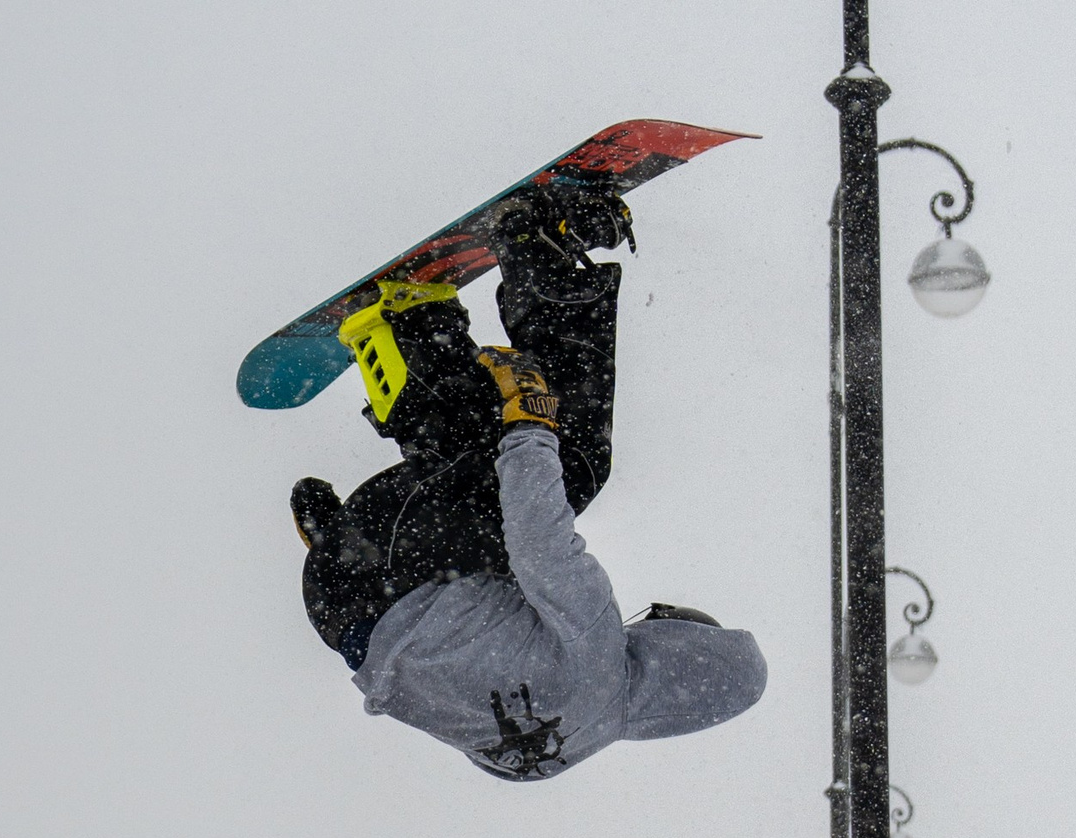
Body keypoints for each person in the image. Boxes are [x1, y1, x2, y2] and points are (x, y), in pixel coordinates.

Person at [288, 183, 766, 781]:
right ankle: (405, 334)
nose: (644, 624)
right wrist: (344, 553)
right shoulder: (540, 761)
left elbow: (541, 541)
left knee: (572, 463)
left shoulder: (598, 659)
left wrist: (530, 418)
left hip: (401, 561)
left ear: (685, 659)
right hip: (342, 605)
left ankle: (535, 244)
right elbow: (459, 676)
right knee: (485, 486)